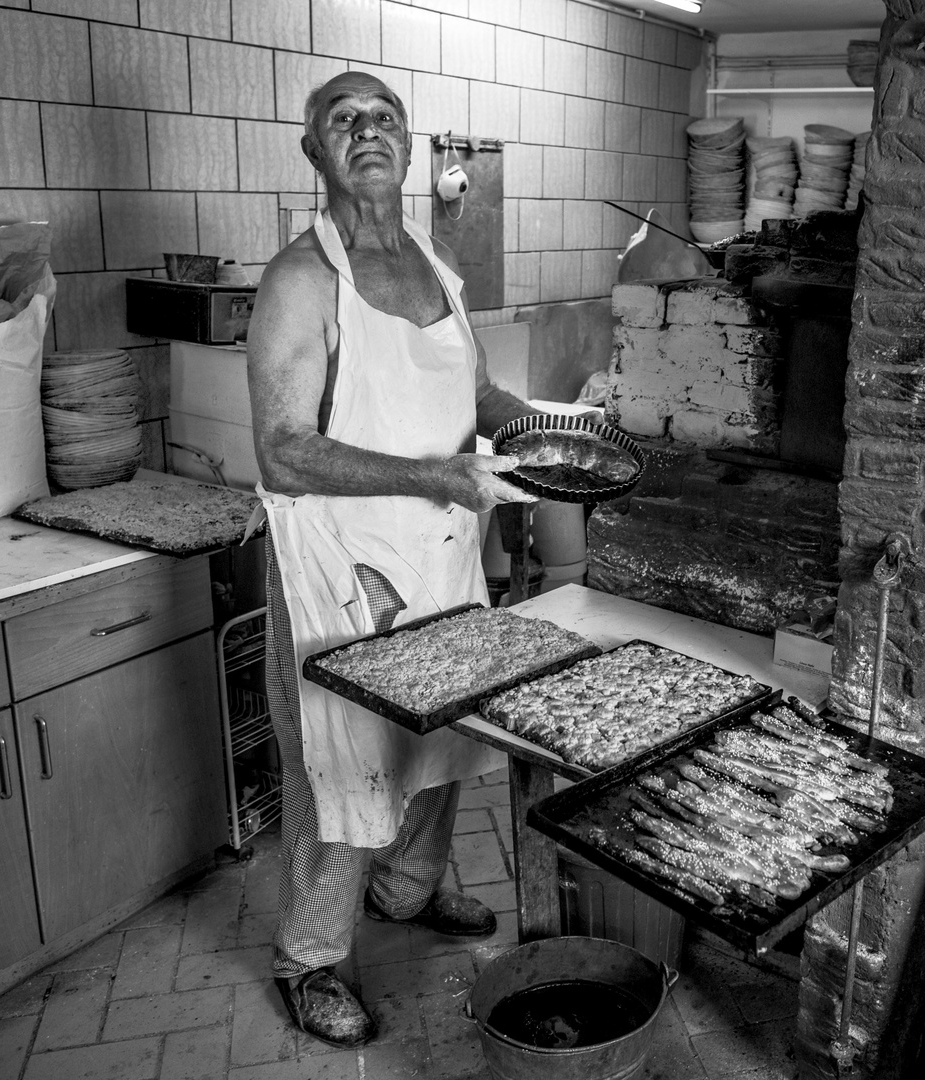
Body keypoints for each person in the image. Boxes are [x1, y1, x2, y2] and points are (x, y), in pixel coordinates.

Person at [246, 70, 540, 1049]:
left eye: (385, 118)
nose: (368, 131)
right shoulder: (300, 279)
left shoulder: (434, 265)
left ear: (410, 147)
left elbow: (479, 398)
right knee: (344, 771)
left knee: (436, 748)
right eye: (344, 119)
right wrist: (436, 479)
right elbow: (284, 446)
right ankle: (310, 958)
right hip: (339, 573)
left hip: (442, 561)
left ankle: (407, 893)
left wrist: (556, 435)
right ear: (314, 151)